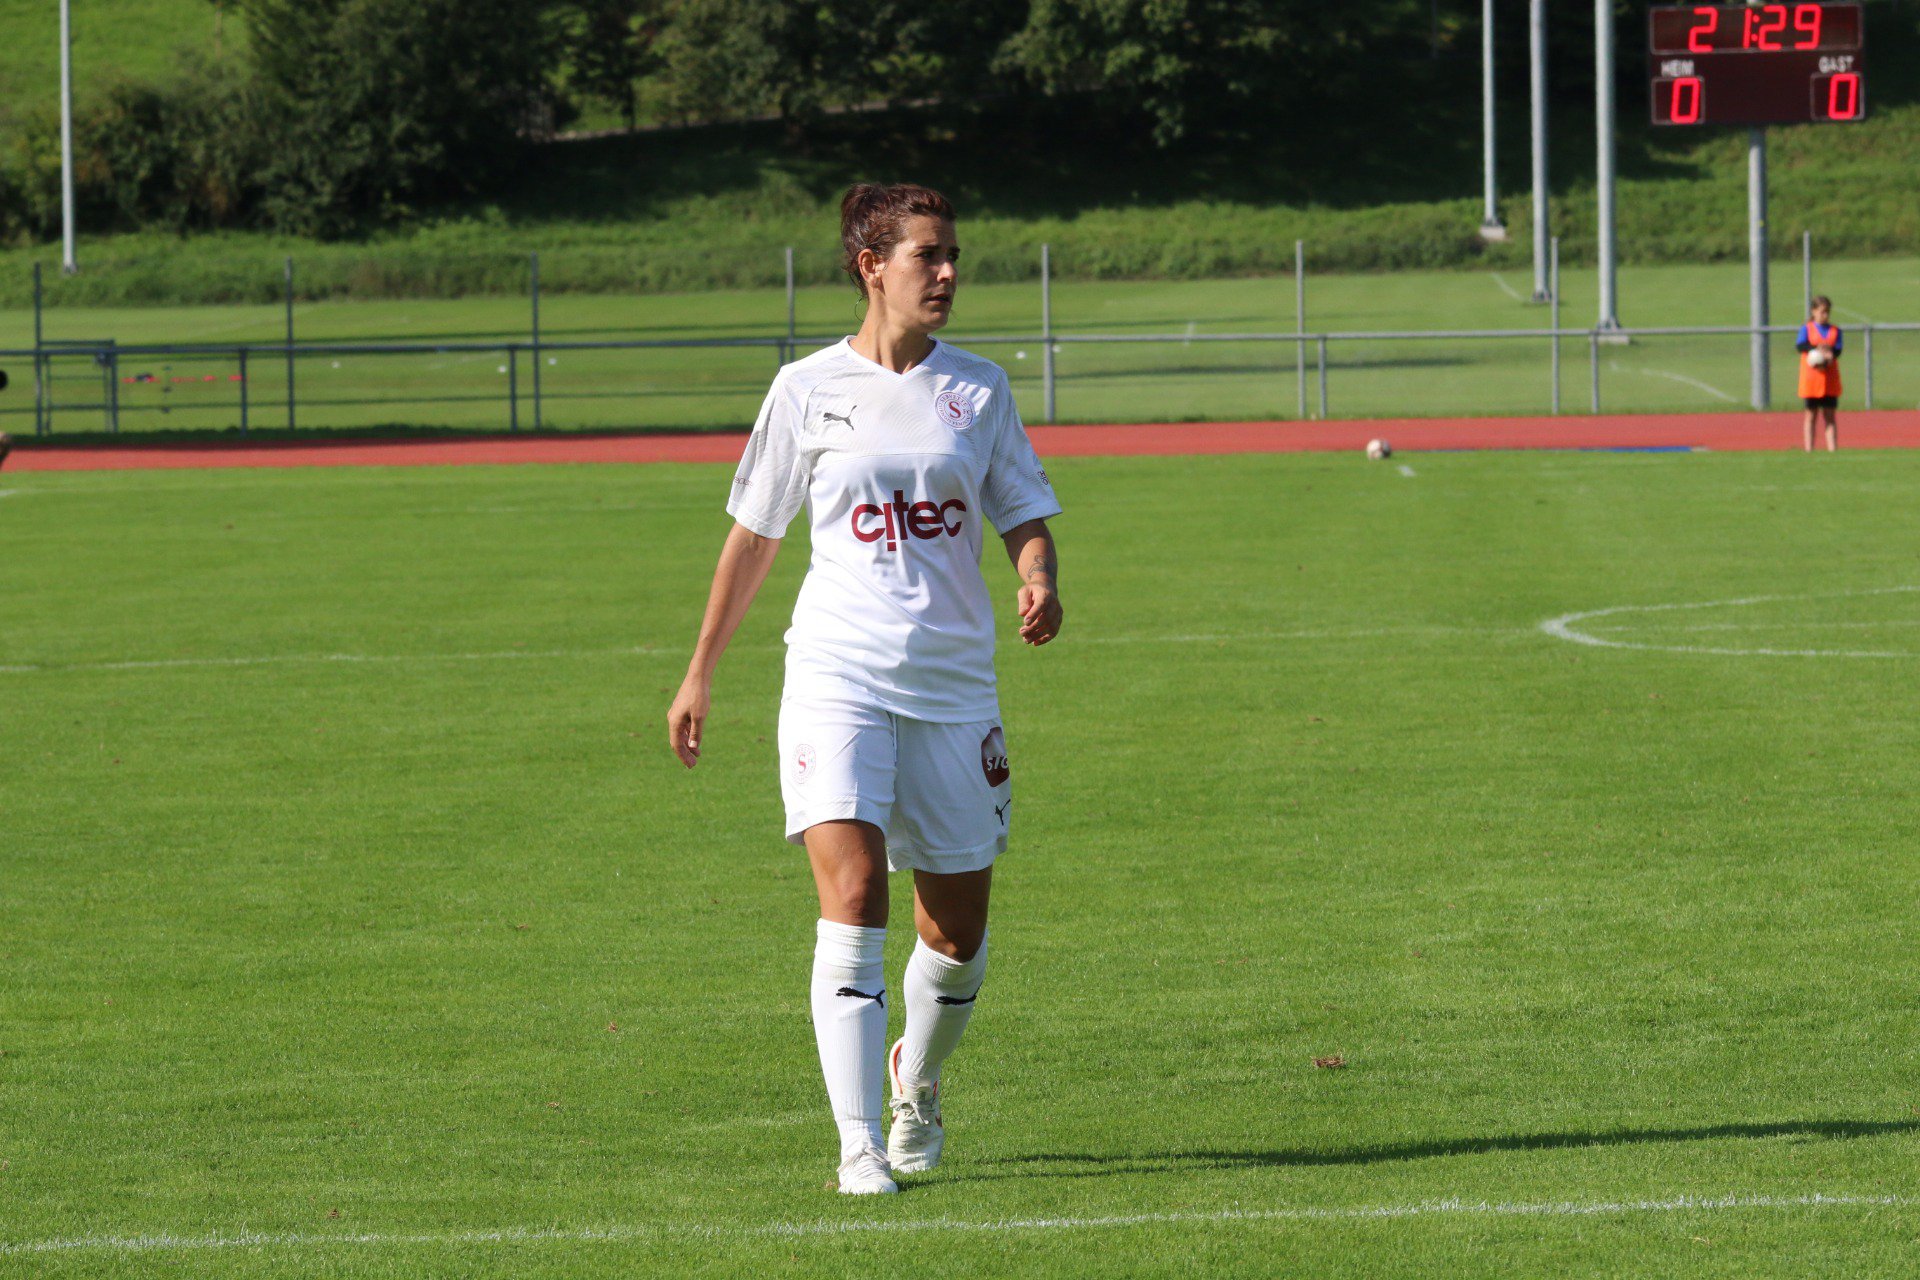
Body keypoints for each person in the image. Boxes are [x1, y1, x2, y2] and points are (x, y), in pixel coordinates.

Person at [666, 183, 1064, 1195]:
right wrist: (701, 668)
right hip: (835, 672)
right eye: (926, 254)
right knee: (852, 895)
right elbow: (755, 536)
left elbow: (1021, 506)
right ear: (869, 264)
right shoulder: (805, 388)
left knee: (958, 931)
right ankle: (856, 1145)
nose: (947, 273)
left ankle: (914, 1081)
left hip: (953, 687)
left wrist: (1038, 572)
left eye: (952, 254)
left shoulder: (978, 389)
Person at [1797, 295, 1842, 453]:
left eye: (1827, 312)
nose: (1825, 315)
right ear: (1813, 311)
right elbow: (1800, 345)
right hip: (1811, 381)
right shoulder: (1807, 328)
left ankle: (1832, 449)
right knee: (1811, 416)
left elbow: (1837, 350)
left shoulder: (1835, 330)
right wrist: (1815, 350)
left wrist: (1830, 356)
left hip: (1829, 380)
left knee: (1830, 416)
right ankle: (1809, 449)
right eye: (1822, 311)